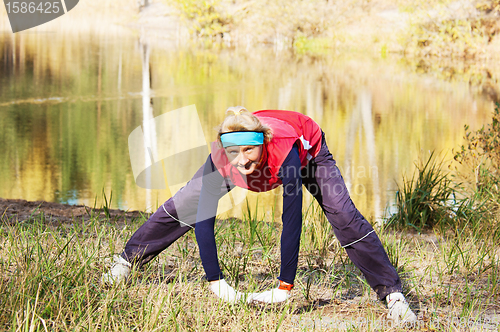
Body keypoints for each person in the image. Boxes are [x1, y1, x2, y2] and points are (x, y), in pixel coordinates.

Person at [102, 107, 417, 323]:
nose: (241, 160)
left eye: (248, 151)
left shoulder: (285, 154)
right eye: (233, 152)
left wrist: (285, 286)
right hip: (265, 140)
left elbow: (291, 220)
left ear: (262, 143)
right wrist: (216, 281)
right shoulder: (223, 157)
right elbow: (203, 217)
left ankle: (393, 296)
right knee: (185, 201)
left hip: (310, 150)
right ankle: (127, 261)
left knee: (344, 216)